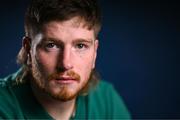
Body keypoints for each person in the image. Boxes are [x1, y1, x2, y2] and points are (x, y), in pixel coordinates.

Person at [0, 0, 131, 119]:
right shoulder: (3, 105)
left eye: (80, 46)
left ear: (95, 52)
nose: (65, 64)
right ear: (28, 49)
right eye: (51, 45)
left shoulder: (106, 100)